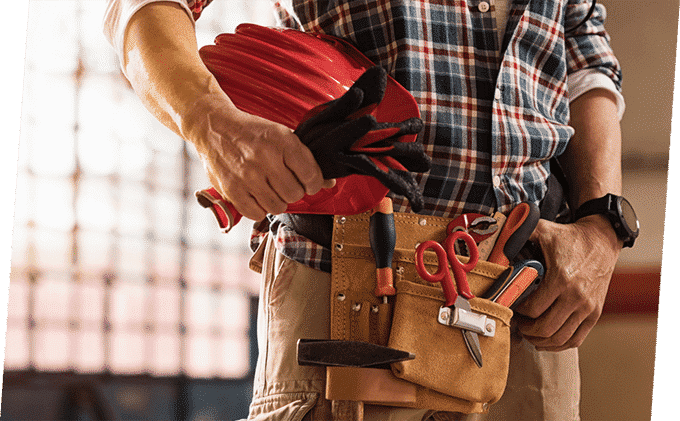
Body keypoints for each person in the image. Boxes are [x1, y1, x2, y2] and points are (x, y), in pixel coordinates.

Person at [103, 1, 630, 420]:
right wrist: (210, 121)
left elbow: (586, 56)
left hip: (530, 303)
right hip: (347, 294)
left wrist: (604, 224)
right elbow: (141, 6)